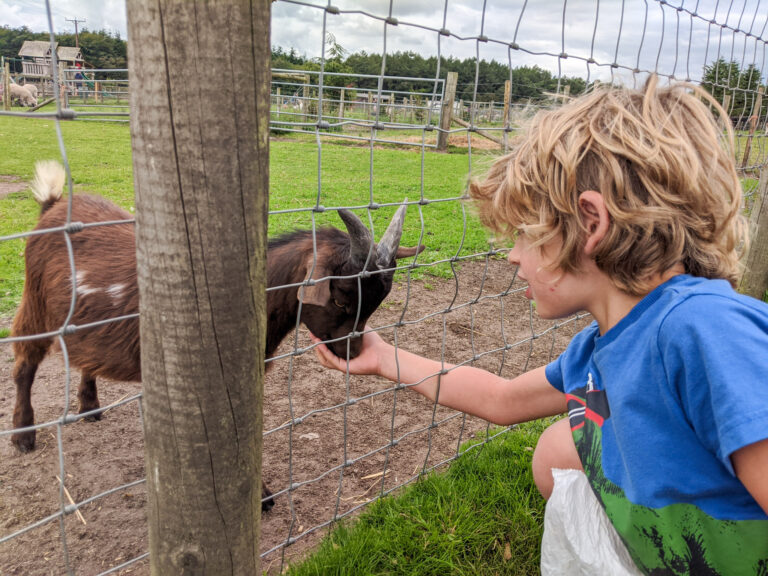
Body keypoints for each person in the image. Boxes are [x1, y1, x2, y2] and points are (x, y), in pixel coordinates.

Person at [310, 75, 768, 574]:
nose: (511, 256)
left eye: (524, 234)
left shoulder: (704, 329)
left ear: (591, 224)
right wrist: (385, 359)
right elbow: (501, 399)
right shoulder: (599, 349)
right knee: (561, 445)